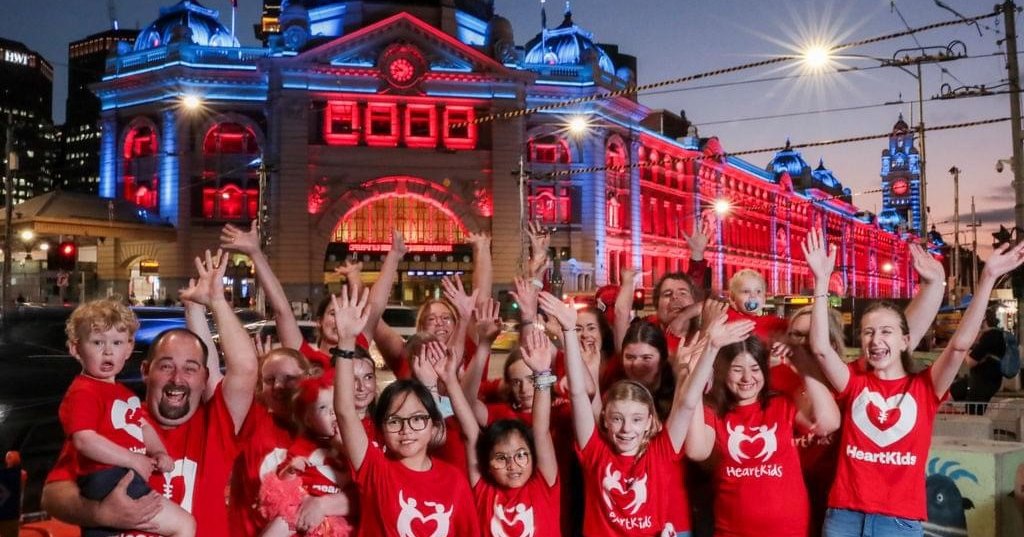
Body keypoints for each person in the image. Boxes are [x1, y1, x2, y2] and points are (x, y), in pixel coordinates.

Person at [804, 229, 1024, 536]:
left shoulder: (924, 388)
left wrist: (987, 278)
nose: (876, 339)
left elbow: (959, 347)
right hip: (844, 517)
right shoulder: (854, 382)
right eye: (868, 332)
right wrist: (821, 281)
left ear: (906, 340)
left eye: (886, 331)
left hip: (897, 522)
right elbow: (820, 349)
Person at [42, 250, 259, 537]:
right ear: (145, 370)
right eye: (166, 366)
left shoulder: (214, 429)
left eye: (190, 369)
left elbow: (244, 368)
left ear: (205, 378)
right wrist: (99, 513)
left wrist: (216, 301)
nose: (177, 379)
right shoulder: (115, 421)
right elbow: (52, 495)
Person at [540, 290, 695, 536]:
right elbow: (581, 396)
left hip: (672, 522)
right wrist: (569, 333)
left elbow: (687, 403)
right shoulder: (598, 445)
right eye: (617, 419)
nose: (626, 429)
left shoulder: (662, 447)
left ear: (650, 423)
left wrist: (693, 364)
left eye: (636, 420)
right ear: (606, 420)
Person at [332, 287, 480, 536]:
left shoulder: (454, 481)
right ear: (381, 428)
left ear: (434, 424)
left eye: (417, 419)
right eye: (395, 421)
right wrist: (346, 341)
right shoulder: (376, 470)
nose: (406, 430)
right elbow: (345, 411)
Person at [683, 318, 839, 537]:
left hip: (789, 531)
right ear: (723, 371)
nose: (748, 378)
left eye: (755, 368)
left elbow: (828, 423)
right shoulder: (714, 411)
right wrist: (698, 370)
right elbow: (697, 450)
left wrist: (801, 362)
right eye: (737, 369)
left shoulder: (781, 404)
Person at [58, 298, 195, 537]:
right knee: (184, 525)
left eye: (117, 342)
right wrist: (132, 459)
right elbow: (84, 440)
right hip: (106, 476)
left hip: (122, 475)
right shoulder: (84, 391)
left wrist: (159, 451)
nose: (108, 350)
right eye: (98, 342)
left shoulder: (122, 394)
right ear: (75, 349)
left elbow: (141, 427)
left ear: (129, 347)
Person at [443, 324, 560, 537]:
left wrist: (542, 373)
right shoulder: (483, 492)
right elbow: (470, 433)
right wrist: (450, 380)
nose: (512, 465)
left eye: (522, 455)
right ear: (487, 464)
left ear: (534, 457)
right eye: (501, 458)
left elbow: (541, 430)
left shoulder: (543, 485)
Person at [258, 374, 354, 537]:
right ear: (308, 420)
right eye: (323, 408)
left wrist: (342, 442)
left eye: (336, 405)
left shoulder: (353, 443)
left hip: (336, 518)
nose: (332, 412)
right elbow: (279, 485)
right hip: (301, 509)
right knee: (280, 524)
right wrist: (291, 471)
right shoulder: (303, 446)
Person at [950, 308, 1006, 412]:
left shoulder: (989, 336)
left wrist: (964, 350)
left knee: (974, 412)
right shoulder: (998, 334)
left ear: (983, 319)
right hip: (989, 379)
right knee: (953, 391)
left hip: (982, 382)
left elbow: (971, 362)